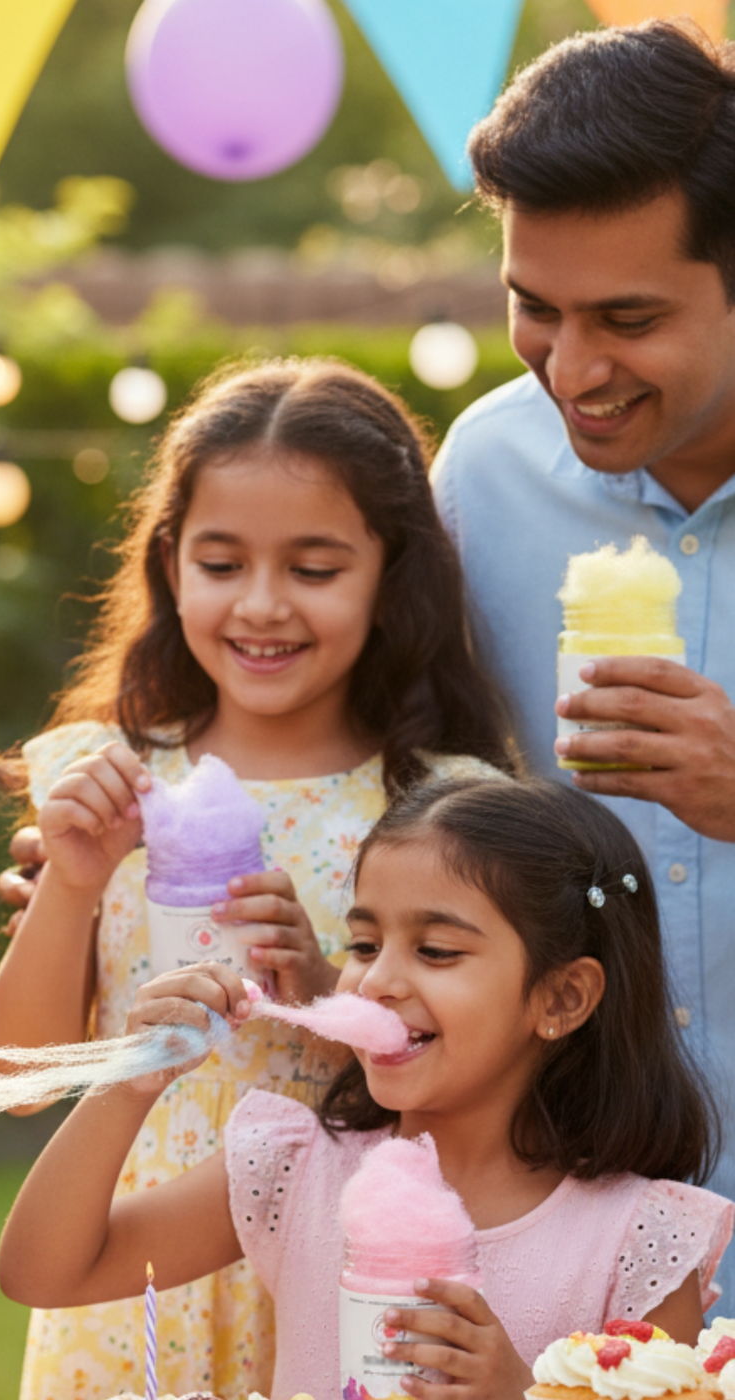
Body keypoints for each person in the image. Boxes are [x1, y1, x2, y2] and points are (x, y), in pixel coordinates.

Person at [0, 357, 514, 1399]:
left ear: (388, 570)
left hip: (347, 1248)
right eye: (221, 563)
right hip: (124, 1259)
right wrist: (75, 883)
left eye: (313, 568)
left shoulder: (442, 804)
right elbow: (13, 1077)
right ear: (171, 560)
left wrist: (325, 991)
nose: (260, 605)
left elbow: (482, 1068)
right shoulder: (103, 776)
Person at [0, 776, 731, 1399]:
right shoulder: (298, 1170)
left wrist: (520, 1389)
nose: (376, 982)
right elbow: (45, 1271)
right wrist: (128, 1081)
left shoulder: (642, 1239)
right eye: (364, 945)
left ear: (562, 999)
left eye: (436, 951)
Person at [430, 18, 735, 1291]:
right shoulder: (480, 475)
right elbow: (391, 779)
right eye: (532, 308)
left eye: (626, 316)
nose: (572, 366)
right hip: (573, 1237)